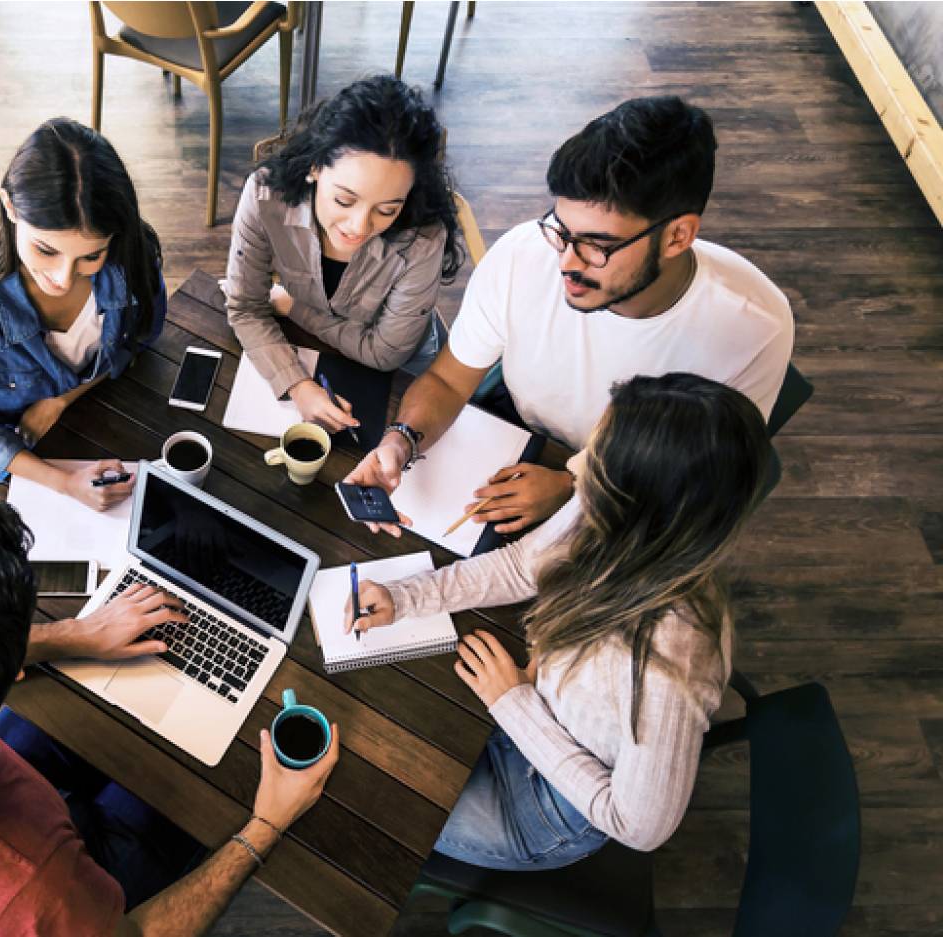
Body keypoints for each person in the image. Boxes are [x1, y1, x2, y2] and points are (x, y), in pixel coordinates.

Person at [0, 489, 339, 935]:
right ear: (10, 676)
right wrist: (266, 824)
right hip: (38, 892)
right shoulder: (30, 894)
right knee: (188, 790)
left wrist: (78, 634)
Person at [349, 373, 772, 867]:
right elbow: (521, 565)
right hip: (536, 704)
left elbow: (639, 826)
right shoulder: (620, 516)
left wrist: (514, 704)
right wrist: (406, 598)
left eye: (595, 459)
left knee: (361, 793)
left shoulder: (666, 669)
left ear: (639, 500)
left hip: (550, 804)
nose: (574, 465)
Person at [345, 96, 793, 535]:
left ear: (678, 236)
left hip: (628, 486)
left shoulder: (754, 327)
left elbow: (700, 477)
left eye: (598, 245)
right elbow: (447, 379)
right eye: (561, 229)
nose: (565, 263)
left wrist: (571, 485)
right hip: (515, 431)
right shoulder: (524, 254)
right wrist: (400, 439)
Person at [0, 118, 166, 509]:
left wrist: (62, 398)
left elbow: (141, 336)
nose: (64, 279)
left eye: (91, 256)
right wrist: (65, 484)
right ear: (9, 207)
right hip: (15, 454)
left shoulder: (132, 253)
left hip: (94, 414)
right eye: (46, 250)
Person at [223, 74, 463, 433]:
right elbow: (243, 308)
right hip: (328, 352)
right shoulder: (264, 198)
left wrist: (293, 307)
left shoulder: (422, 240)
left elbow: (386, 355)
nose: (359, 226)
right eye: (344, 200)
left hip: (407, 369)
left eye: (387, 210)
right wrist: (299, 386)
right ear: (315, 167)